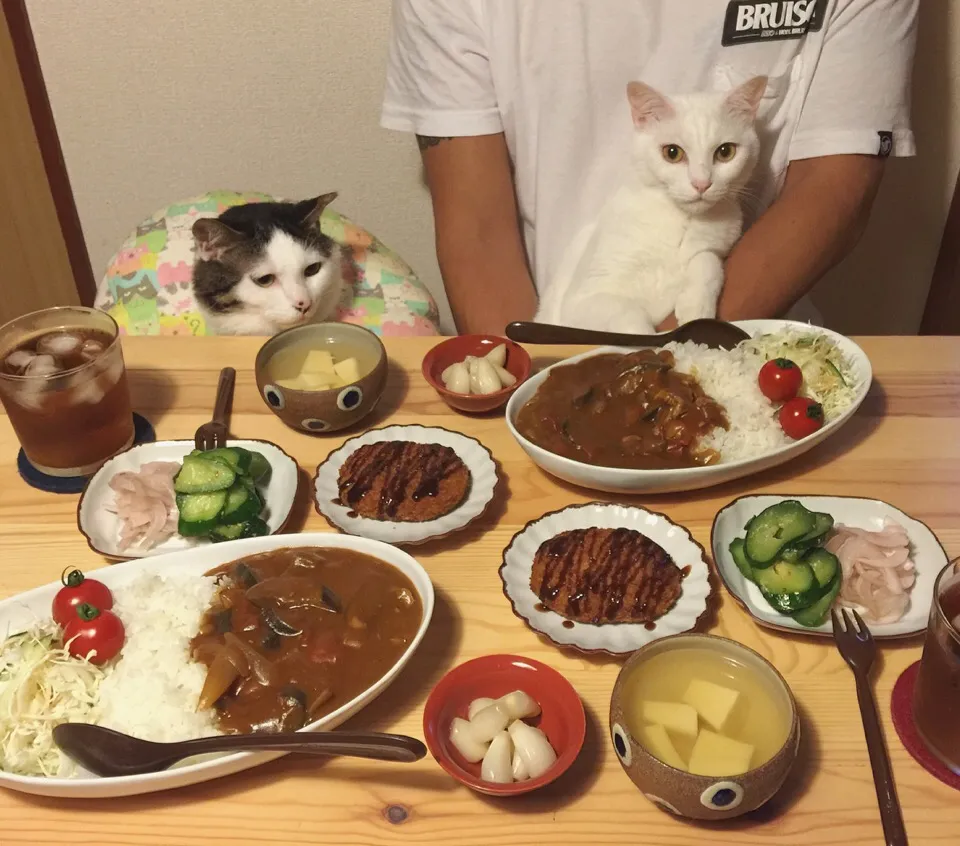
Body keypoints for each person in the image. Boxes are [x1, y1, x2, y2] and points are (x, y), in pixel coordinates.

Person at [380, 0, 918, 335]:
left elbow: (834, 192)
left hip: (752, 343)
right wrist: (536, 395)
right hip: (559, 331)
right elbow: (476, 226)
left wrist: (659, 369)